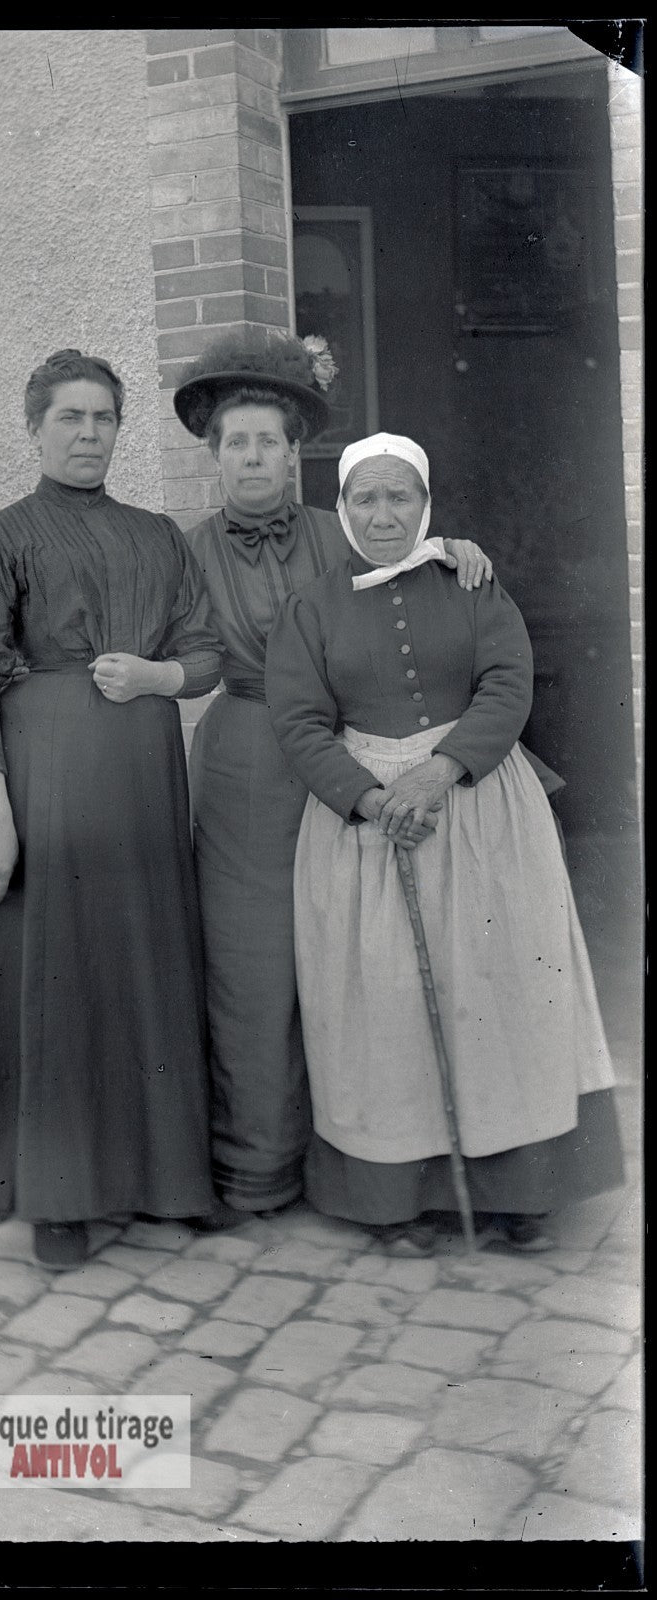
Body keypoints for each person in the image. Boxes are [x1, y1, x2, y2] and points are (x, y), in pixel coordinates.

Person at [265, 432, 623, 1256]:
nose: (382, 514)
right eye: (365, 499)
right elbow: (297, 720)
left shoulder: (471, 581)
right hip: (363, 823)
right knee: (383, 1004)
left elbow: (506, 682)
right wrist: (368, 793)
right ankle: (401, 1200)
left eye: (399, 497)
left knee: (500, 993)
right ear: (342, 508)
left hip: (479, 806)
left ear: (423, 504)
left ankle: (522, 1192)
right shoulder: (310, 608)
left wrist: (440, 770)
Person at [172, 333, 493, 1228]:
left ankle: (366, 1167)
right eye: (235, 442)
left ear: (294, 451)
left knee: (359, 960)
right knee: (252, 968)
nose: (252, 457)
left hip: (345, 758)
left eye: (267, 441)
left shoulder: (341, 532)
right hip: (242, 763)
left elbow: (410, 584)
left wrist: (451, 550)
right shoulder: (182, 549)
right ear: (213, 453)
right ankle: (255, 1170)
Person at [0, 348, 223, 1269]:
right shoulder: (0, 538)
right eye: (70, 417)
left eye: (103, 417)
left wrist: (158, 675)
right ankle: (57, 1197)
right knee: (58, 980)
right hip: (44, 783)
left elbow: (207, 653)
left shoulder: (157, 536)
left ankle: (161, 1178)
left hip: (140, 784)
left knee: (142, 968)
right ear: (33, 429)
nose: (88, 433)